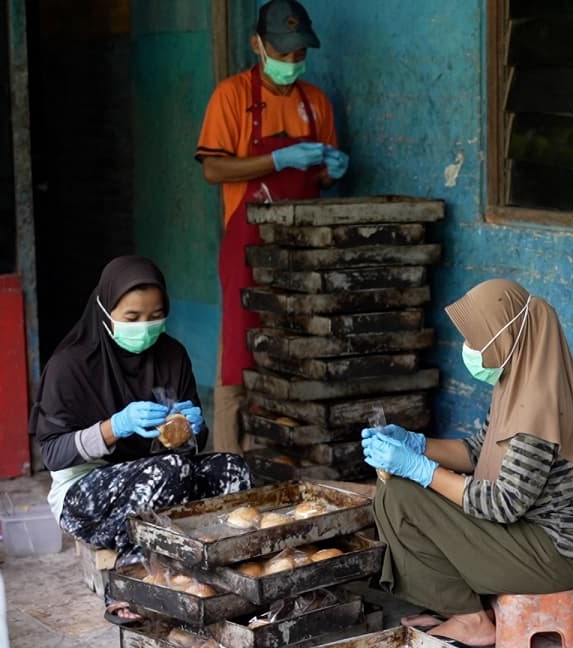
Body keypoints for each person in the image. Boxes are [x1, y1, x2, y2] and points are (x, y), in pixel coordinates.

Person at [362, 279, 573, 647]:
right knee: (398, 486)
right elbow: (479, 451)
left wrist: (421, 470)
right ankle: (459, 606)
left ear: (504, 338)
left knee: (405, 496)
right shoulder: (521, 382)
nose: (469, 348)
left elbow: (503, 503)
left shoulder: (537, 408)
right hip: (533, 537)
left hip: (554, 556)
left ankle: (471, 620)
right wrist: (417, 444)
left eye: (476, 337)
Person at [29, 256, 252, 625]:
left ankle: (221, 571)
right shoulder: (69, 366)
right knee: (169, 472)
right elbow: (53, 452)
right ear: (105, 309)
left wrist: (191, 427)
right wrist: (114, 426)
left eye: (155, 316)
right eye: (132, 318)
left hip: (162, 473)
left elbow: (188, 449)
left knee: (232, 468)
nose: (145, 327)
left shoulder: (172, 356)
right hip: (86, 494)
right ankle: (130, 583)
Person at [195, 0, 349, 454]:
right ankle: (229, 457)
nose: (291, 62)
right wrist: (276, 159)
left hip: (303, 250)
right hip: (247, 245)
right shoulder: (232, 96)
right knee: (239, 353)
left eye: (299, 54)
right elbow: (213, 171)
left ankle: (291, 455)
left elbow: (318, 177)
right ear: (257, 45)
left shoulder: (315, 102)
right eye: (282, 54)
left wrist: (333, 172)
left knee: (297, 345)